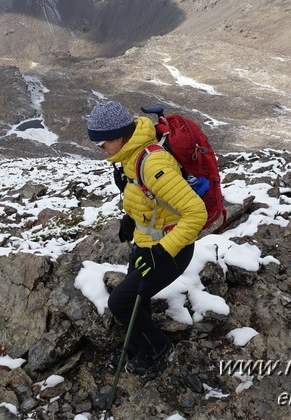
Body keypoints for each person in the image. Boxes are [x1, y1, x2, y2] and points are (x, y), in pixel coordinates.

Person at [87, 100, 207, 378]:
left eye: (101, 144)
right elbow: (149, 198)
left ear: (118, 137)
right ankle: (137, 347)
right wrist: (132, 220)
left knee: (121, 302)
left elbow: (195, 213)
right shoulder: (132, 157)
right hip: (145, 243)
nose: (100, 150)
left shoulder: (153, 163)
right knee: (135, 300)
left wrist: (162, 251)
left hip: (169, 250)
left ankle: (157, 348)